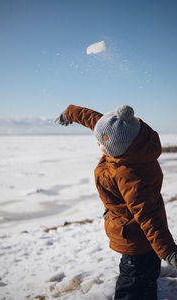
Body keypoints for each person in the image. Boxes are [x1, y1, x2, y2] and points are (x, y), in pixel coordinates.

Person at [54, 104, 177, 300]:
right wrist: (71, 113)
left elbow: (148, 215)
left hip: (136, 237)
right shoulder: (128, 137)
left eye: (101, 143)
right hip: (136, 232)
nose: (97, 145)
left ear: (117, 147)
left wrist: (168, 250)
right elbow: (97, 122)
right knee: (145, 277)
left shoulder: (130, 176)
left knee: (133, 282)